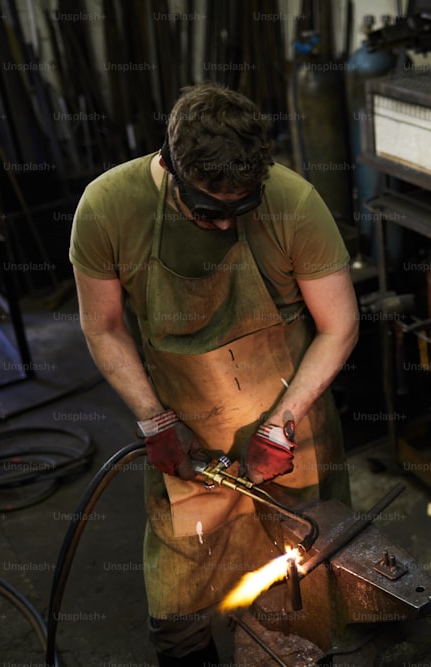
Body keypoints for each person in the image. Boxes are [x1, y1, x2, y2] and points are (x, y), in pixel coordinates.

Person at [69, 82, 358, 666]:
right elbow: (102, 326)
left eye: (241, 208)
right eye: (208, 210)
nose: (226, 225)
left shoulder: (294, 204)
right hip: (186, 443)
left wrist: (281, 424)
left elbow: (340, 325)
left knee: (297, 601)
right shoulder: (107, 209)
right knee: (178, 615)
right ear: (169, 166)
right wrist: (153, 421)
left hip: (290, 435)